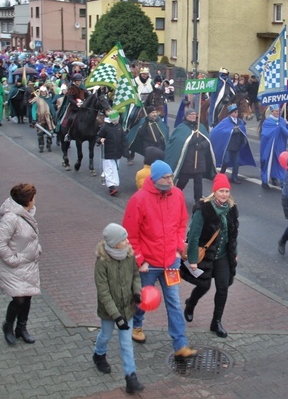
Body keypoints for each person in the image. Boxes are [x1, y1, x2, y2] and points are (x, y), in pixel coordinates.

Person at [122, 160, 197, 360]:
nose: (171, 180)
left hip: (171, 262)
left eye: (172, 176)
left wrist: (179, 245)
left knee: (173, 302)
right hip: (148, 264)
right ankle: (136, 325)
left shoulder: (177, 195)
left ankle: (180, 344)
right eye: (166, 177)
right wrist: (140, 260)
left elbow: (182, 222)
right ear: (155, 179)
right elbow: (131, 235)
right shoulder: (138, 200)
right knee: (143, 301)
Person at [182, 173, 239, 338]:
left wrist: (233, 253)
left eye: (227, 191)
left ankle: (216, 322)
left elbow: (233, 235)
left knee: (223, 288)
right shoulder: (204, 209)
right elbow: (193, 236)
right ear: (214, 192)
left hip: (222, 256)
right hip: (205, 255)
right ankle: (191, 303)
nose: (224, 194)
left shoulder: (231, 209)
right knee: (203, 286)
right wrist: (192, 260)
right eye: (221, 191)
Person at [92, 223, 144, 395]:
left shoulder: (129, 256)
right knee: (105, 335)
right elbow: (103, 292)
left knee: (126, 342)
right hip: (109, 311)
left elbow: (136, 275)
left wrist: (137, 292)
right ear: (114, 243)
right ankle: (99, 354)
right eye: (124, 239)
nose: (127, 241)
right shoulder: (102, 262)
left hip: (127, 307)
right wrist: (116, 316)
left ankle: (131, 377)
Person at [0, 183, 40, 345]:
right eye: (33, 198)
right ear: (27, 200)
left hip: (28, 264)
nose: (35, 201)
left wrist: (36, 249)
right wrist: (13, 259)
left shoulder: (28, 213)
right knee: (19, 299)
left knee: (27, 297)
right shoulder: (11, 218)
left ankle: (22, 328)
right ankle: (8, 325)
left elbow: (30, 237)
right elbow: (0, 243)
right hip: (13, 265)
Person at [165, 109, 215, 202]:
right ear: (187, 116)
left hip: (199, 160)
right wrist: (191, 142)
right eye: (191, 114)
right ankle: (175, 195)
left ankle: (198, 200)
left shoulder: (200, 127)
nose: (193, 116)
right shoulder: (182, 128)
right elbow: (177, 142)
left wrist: (201, 145)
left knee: (198, 182)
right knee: (183, 180)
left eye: (194, 114)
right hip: (187, 161)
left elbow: (207, 140)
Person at [210, 104, 256, 184]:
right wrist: (233, 130)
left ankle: (234, 178)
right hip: (228, 145)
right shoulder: (226, 121)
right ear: (230, 113)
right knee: (226, 161)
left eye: (237, 112)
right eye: (234, 112)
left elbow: (242, 130)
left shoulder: (240, 121)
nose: (236, 113)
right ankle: (222, 173)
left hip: (237, 145)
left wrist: (244, 139)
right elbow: (221, 131)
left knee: (236, 162)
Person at [259, 106, 288, 189]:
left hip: (279, 146)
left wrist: (286, 125)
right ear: (272, 112)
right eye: (276, 111)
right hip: (269, 147)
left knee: (280, 162)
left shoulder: (282, 120)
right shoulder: (267, 122)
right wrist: (276, 129)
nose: (278, 113)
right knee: (267, 161)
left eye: (279, 111)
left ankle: (282, 181)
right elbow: (265, 134)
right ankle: (265, 180)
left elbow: (286, 133)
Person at [98, 111, 126, 196]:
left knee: (115, 169)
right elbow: (98, 136)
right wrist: (100, 140)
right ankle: (111, 187)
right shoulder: (105, 127)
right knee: (109, 169)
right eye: (115, 120)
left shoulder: (119, 127)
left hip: (117, 153)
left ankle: (113, 184)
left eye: (117, 119)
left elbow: (123, 139)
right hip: (107, 153)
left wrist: (125, 150)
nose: (116, 121)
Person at [32, 86, 55, 153]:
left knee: (49, 133)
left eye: (44, 91)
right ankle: (41, 146)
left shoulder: (49, 99)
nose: (43, 93)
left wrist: (53, 116)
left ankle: (49, 145)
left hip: (48, 119)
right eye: (42, 92)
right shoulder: (37, 99)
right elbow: (33, 109)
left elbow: (52, 108)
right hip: (40, 119)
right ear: (40, 92)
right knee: (40, 134)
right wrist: (34, 118)